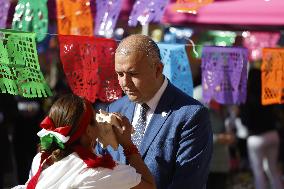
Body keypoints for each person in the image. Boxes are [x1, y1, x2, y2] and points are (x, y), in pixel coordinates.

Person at [100, 34, 213, 189]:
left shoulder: (191, 115)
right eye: (120, 74)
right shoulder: (114, 109)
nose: (125, 83)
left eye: (133, 74)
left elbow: (188, 183)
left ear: (158, 69)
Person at [12, 94, 156, 189]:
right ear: (88, 130)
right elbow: (149, 186)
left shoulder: (41, 160)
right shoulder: (99, 172)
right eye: (95, 120)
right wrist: (128, 145)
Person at [240, 67, 283, 189]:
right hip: (273, 134)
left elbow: (244, 121)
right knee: (273, 169)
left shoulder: (246, 97)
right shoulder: (269, 94)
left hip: (255, 138)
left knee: (258, 172)